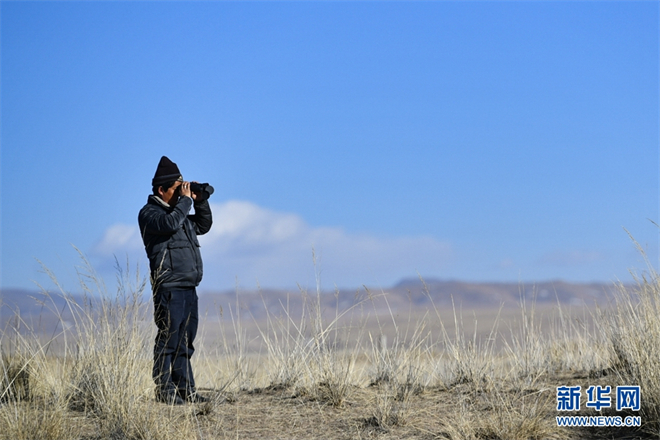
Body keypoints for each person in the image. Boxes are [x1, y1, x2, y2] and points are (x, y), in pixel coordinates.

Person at [138, 156, 213, 405]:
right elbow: (170, 223)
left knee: (185, 342)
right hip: (169, 287)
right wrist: (184, 202)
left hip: (189, 286)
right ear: (161, 190)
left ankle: (185, 390)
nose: (182, 194)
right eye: (176, 189)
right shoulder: (150, 215)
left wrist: (199, 202)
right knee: (168, 339)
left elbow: (203, 225)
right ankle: (164, 390)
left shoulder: (179, 214)